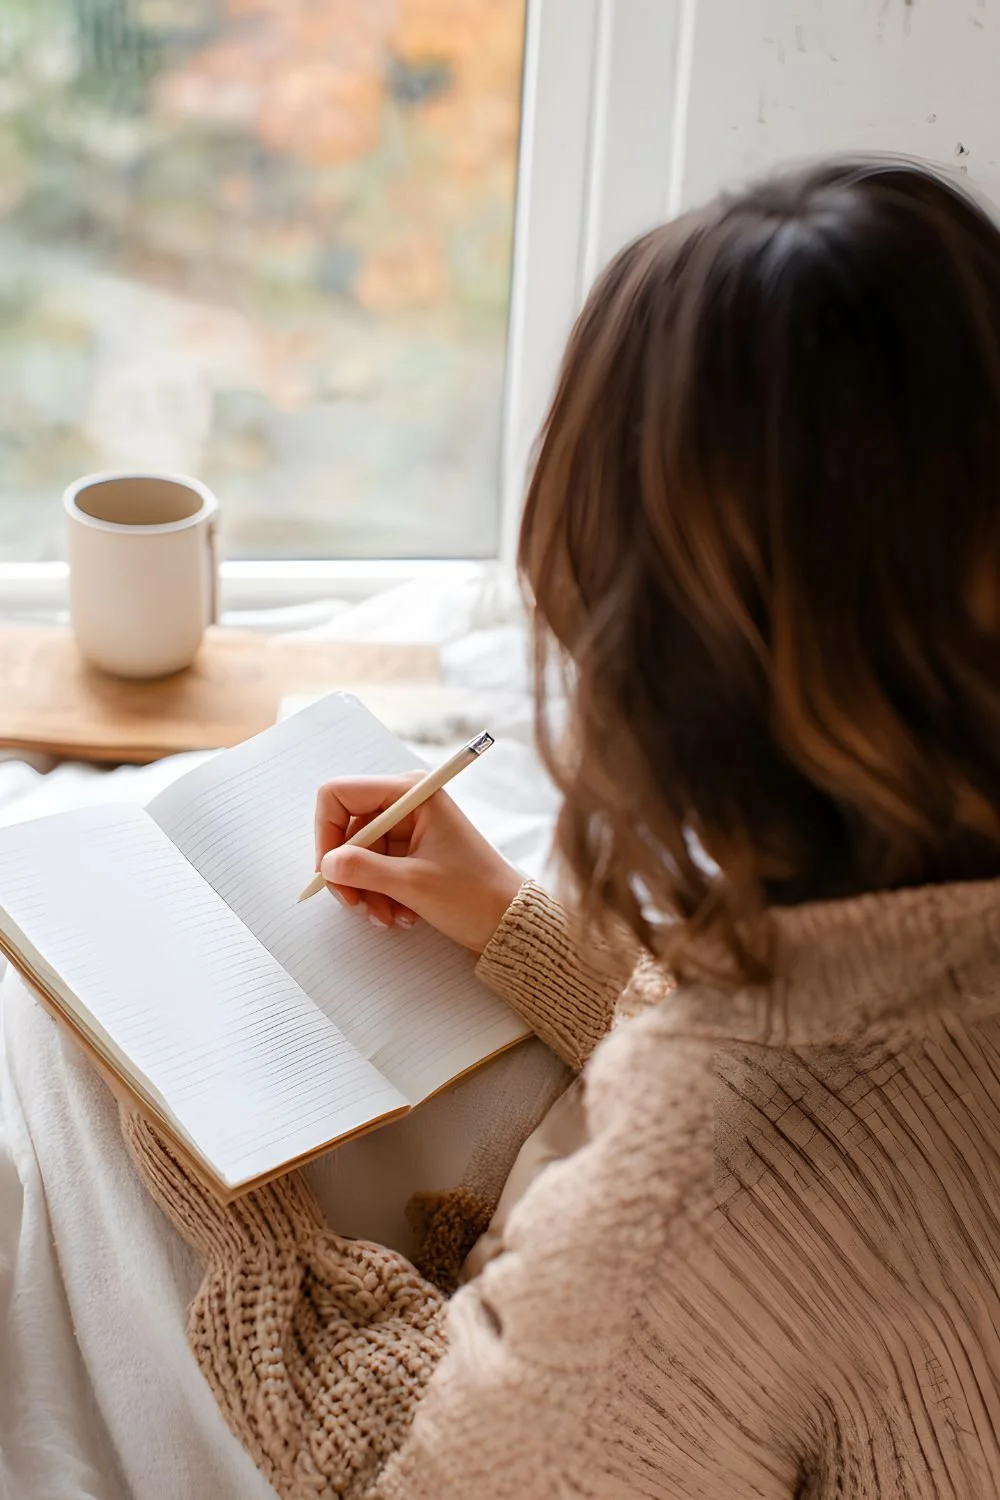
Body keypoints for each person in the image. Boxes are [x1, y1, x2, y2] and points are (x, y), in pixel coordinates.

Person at [120, 155, 1000, 1498]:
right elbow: (874, 1065)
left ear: (660, 670)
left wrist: (258, 1236)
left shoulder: (682, 1221)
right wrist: (531, 937)